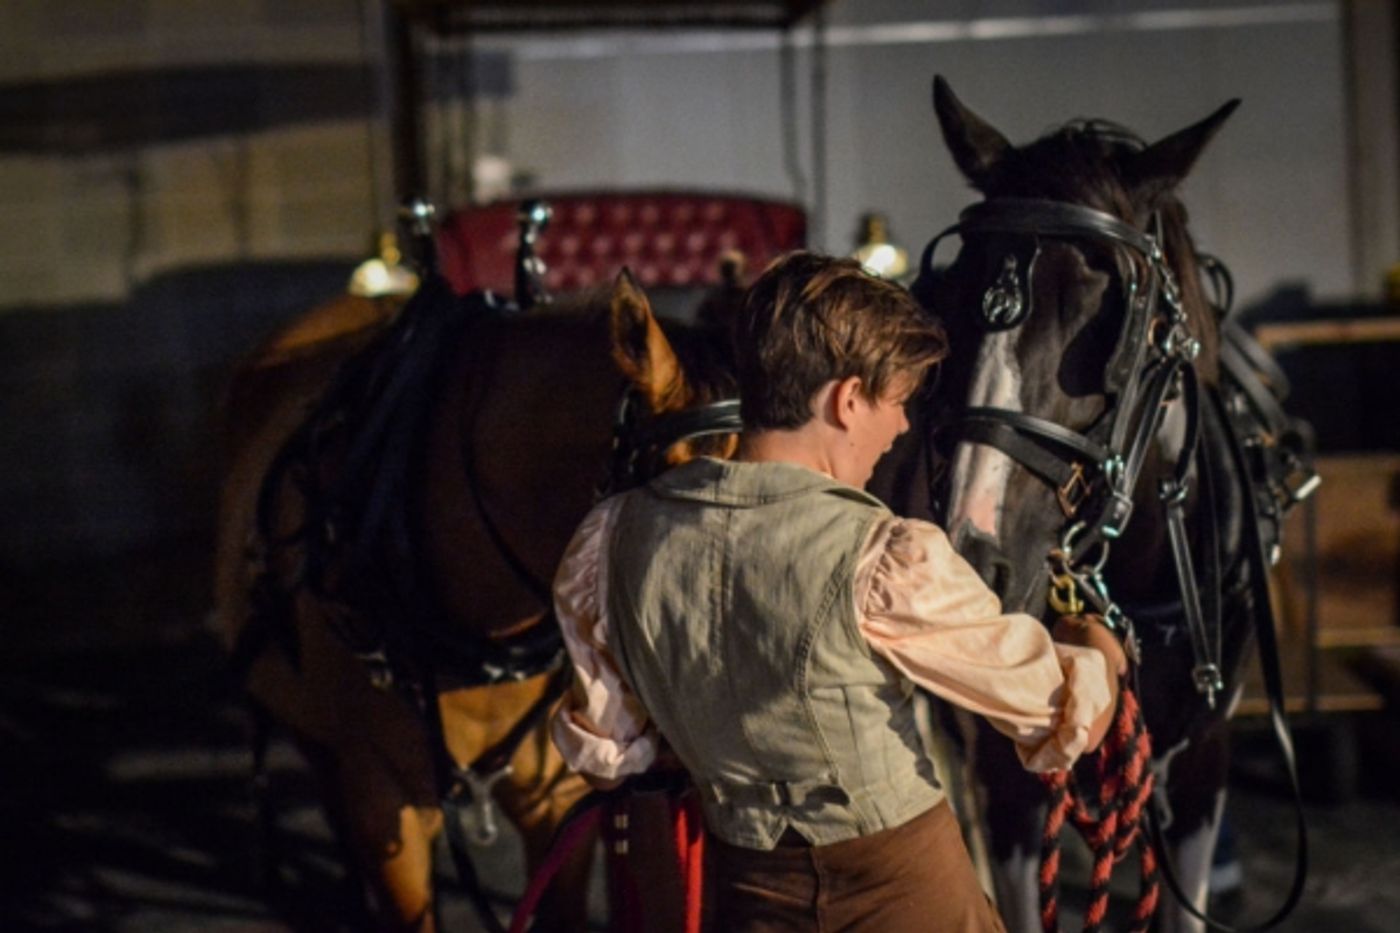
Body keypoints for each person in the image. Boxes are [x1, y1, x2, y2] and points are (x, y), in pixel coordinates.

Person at [550, 251, 1127, 931]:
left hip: (749, 897)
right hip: (905, 894)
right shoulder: (883, 556)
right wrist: (1095, 644)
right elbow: (1064, 715)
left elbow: (609, 750)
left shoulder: (611, 539)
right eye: (898, 401)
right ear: (847, 399)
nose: (903, 427)